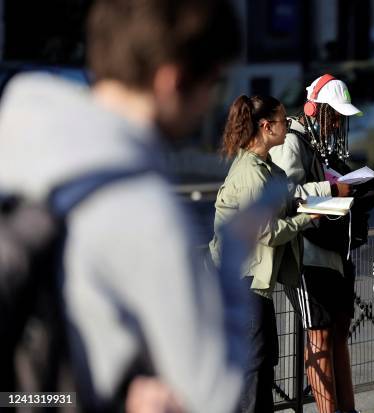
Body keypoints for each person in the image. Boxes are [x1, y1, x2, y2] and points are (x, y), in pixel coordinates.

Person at [0, 1, 243, 411]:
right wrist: (238, 248)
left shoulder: (16, 133)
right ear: (173, 81)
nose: (209, 104)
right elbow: (215, 396)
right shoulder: (144, 212)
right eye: (213, 83)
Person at [269, 74, 373, 413]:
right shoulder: (292, 142)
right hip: (306, 255)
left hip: (332, 252)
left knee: (337, 333)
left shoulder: (316, 142)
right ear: (314, 109)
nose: (337, 123)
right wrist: (335, 192)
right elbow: (288, 198)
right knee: (320, 336)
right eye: (333, 115)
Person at [209, 95, 318, 413]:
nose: (290, 125)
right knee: (254, 371)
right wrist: (309, 218)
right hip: (243, 284)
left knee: (263, 363)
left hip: (252, 283)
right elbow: (267, 231)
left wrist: (310, 205)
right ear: (266, 126)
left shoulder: (265, 167)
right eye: (284, 120)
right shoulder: (253, 173)